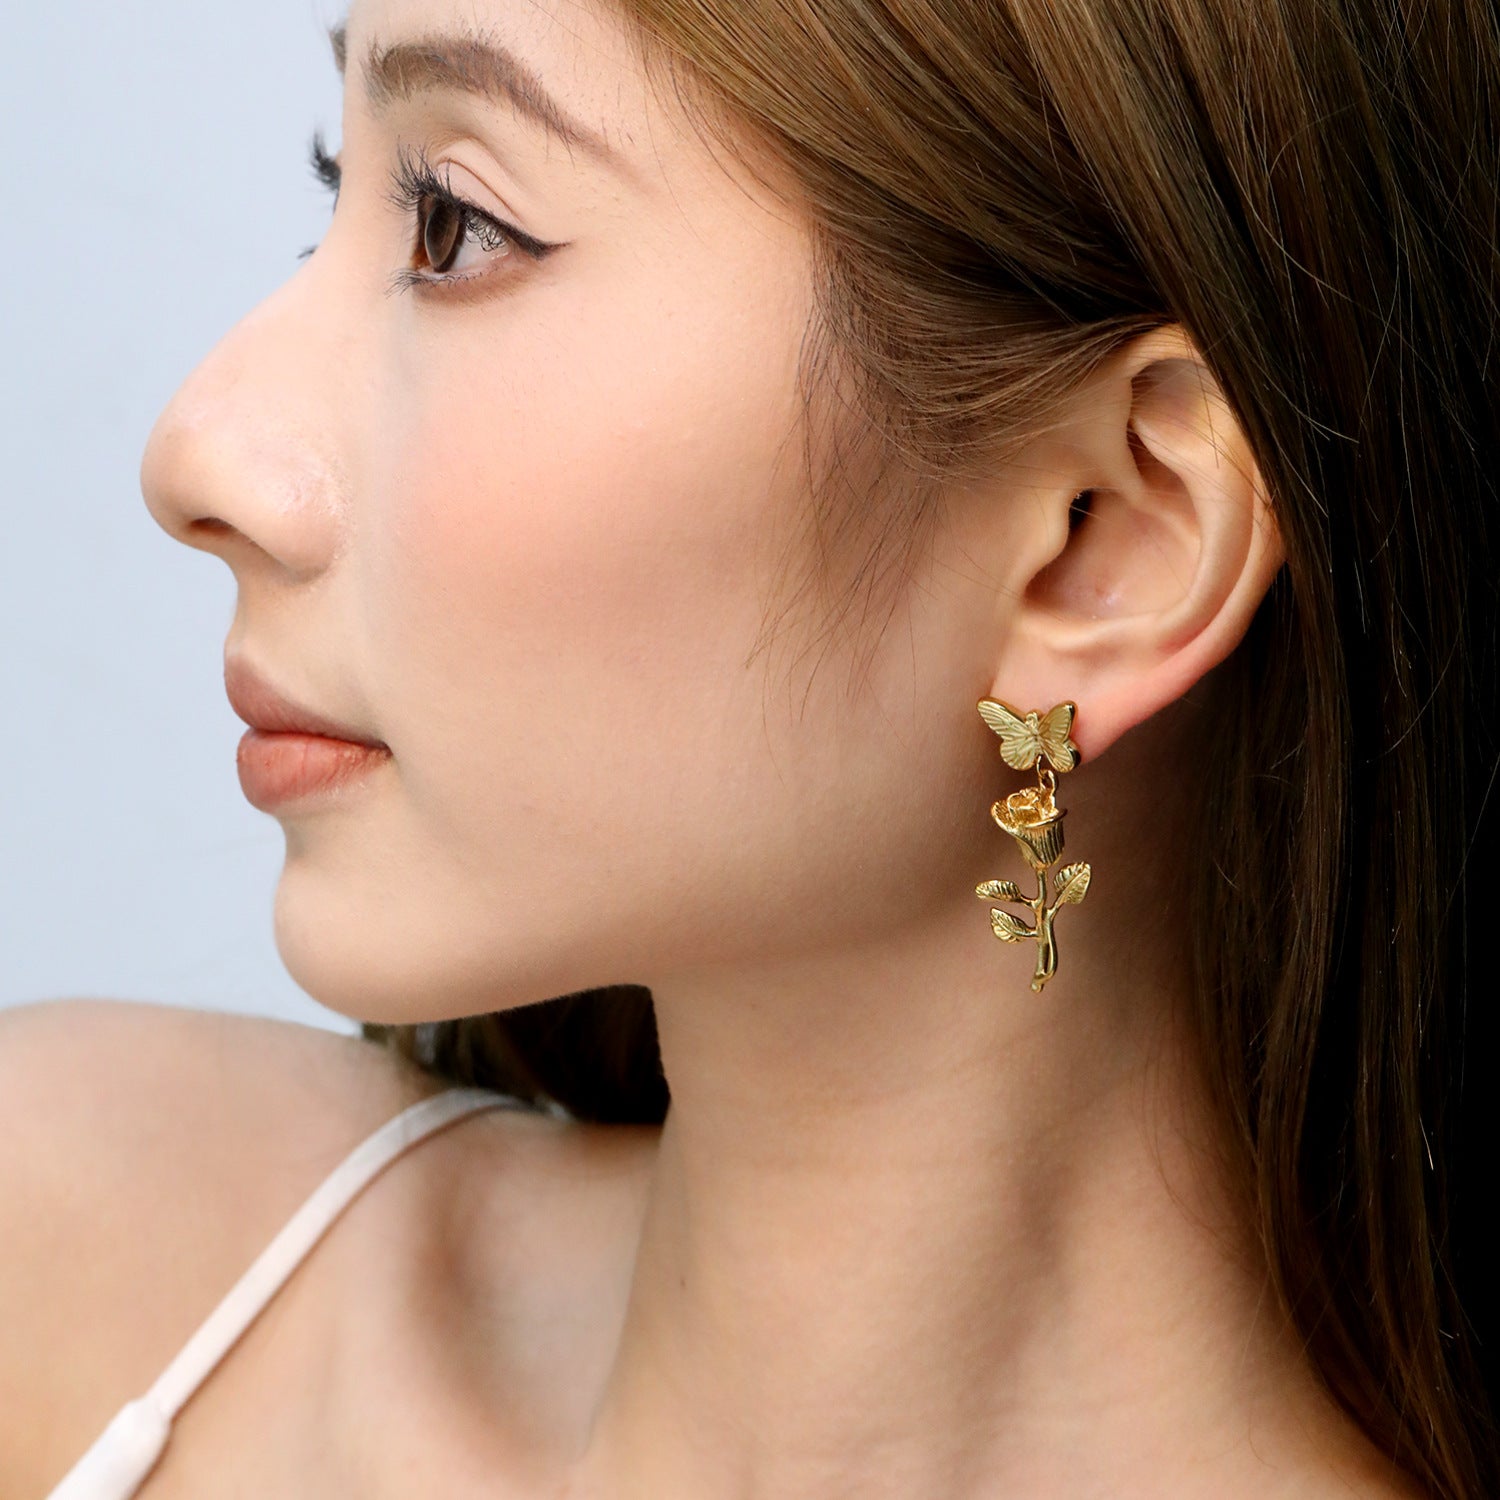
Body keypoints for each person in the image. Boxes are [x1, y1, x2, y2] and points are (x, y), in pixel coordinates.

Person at [6, 0, 1497, 1496]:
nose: (195, 454)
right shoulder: (82, 1277)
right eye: (343, 183)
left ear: (1104, 542)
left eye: (453, 224)